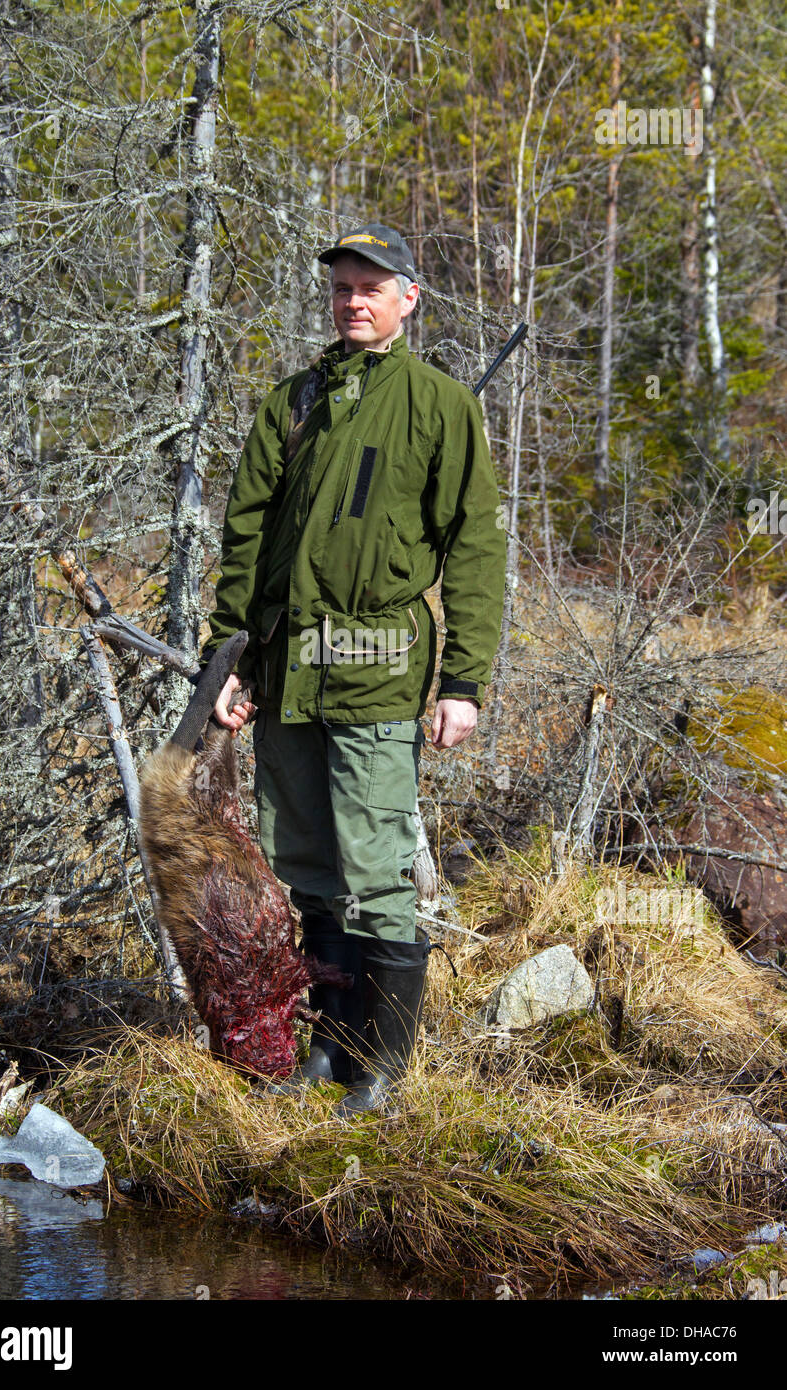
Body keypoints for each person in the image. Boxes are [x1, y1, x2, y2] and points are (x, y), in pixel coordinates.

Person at [198, 222, 505, 1117]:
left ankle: (381, 1073)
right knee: (309, 869)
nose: (353, 300)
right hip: (288, 676)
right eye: (342, 286)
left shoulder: (441, 405)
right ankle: (327, 1055)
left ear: (409, 298)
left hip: (378, 672)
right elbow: (245, 540)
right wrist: (232, 661)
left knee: (375, 871)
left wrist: (464, 682)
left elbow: (476, 552)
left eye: (372, 286)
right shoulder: (290, 402)